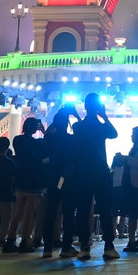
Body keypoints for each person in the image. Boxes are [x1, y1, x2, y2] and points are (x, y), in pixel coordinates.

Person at [70, 93, 119, 260]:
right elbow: (114, 133)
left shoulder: (78, 126)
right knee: (105, 209)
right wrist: (103, 115)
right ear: (98, 107)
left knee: (83, 210)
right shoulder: (101, 127)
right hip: (101, 172)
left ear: (85, 106)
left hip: (83, 173)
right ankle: (109, 246)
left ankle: (84, 246)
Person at [6, 117, 46, 253]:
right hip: (33, 181)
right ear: (35, 128)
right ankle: (25, 241)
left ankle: (10, 240)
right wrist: (44, 133)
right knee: (29, 213)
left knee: (18, 213)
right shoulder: (37, 143)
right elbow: (45, 151)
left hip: (20, 179)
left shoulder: (17, 140)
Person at [41, 107, 77, 258]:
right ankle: (66, 247)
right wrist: (76, 116)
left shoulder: (50, 139)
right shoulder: (70, 140)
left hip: (52, 178)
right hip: (67, 179)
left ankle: (47, 248)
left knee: (50, 213)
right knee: (68, 214)